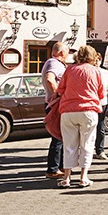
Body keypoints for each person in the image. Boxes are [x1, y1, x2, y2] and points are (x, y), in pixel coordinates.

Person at [56, 45, 106, 188]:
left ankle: (66, 178)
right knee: (87, 144)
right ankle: (83, 177)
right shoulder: (96, 71)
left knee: (69, 145)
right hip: (89, 111)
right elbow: (100, 93)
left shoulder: (70, 69)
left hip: (68, 110)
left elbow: (60, 89)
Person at [42, 42, 68, 179]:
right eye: (67, 53)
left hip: (52, 103)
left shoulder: (52, 62)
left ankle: (61, 166)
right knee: (58, 137)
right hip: (55, 104)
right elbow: (49, 78)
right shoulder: (54, 63)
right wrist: (57, 96)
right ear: (62, 53)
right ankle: (53, 168)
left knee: (61, 136)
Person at [94, 52, 108, 160]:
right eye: (95, 59)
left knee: (101, 127)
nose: (96, 62)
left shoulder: (105, 73)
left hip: (102, 102)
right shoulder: (90, 71)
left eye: (98, 60)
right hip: (91, 103)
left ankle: (100, 150)